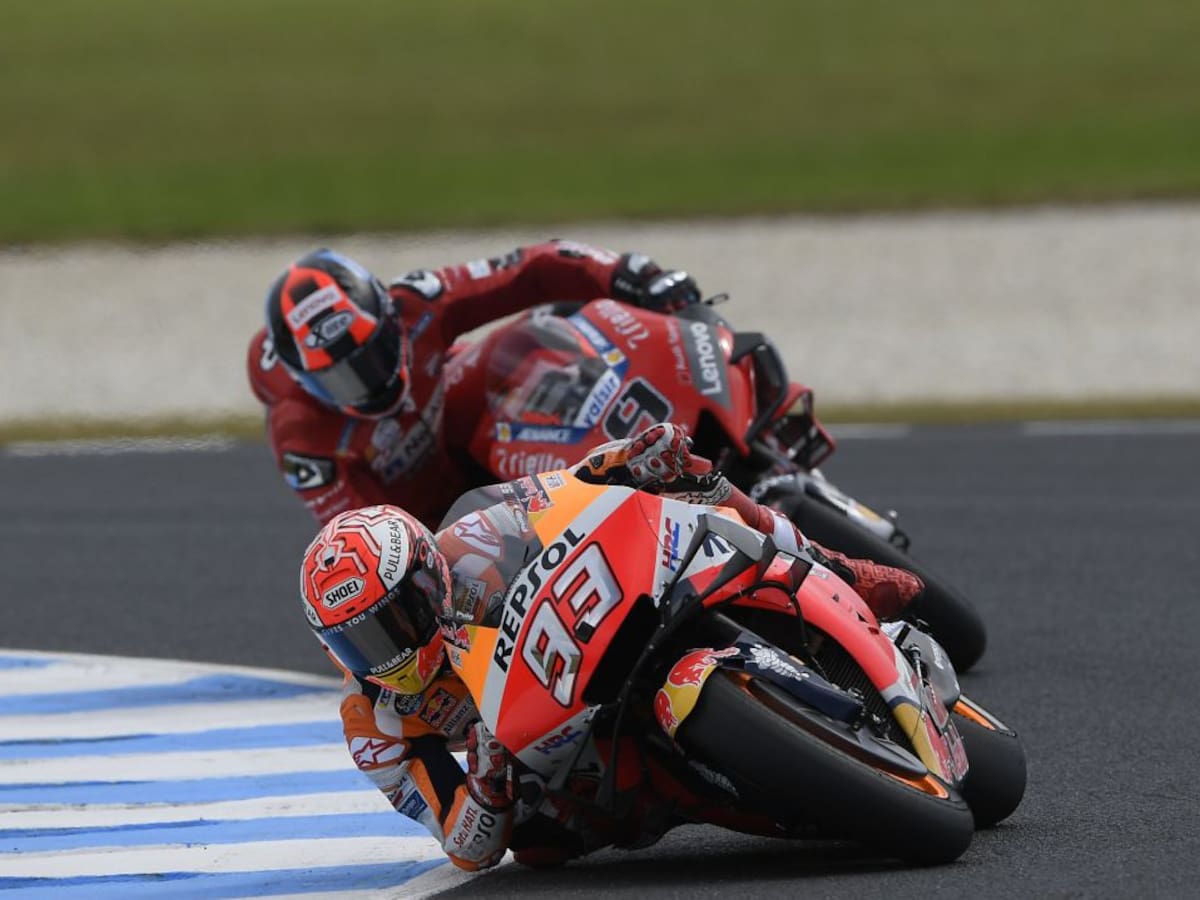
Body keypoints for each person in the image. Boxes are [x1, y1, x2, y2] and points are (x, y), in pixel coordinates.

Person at [298, 423, 925, 871]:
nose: (384, 652)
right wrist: (487, 790)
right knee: (540, 843)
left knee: (689, 486)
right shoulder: (371, 724)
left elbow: (566, 487)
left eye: (392, 622)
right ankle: (766, 798)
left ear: (427, 579)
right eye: (357, 641)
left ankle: (836, 568)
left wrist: (627, 459)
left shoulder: (473, 541)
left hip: (596, 620)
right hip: (549, 745)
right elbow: (463, 845)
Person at [248, 242, 701, 527]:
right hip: (437, 533)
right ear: (304, 381)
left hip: (468, 429)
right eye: (341, 377)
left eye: (374, 352)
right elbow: (369, 531)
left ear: (388, 316)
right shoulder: (304, 442)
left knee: (530, 339)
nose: (368, 382)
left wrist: (629, 274)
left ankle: (659, 442)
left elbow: (528, 269)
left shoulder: (417, 304)